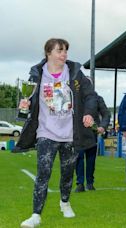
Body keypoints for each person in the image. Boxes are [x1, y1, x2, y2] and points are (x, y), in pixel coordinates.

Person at [16, 38, 97, 227]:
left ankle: (65, 202)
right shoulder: (36, 75)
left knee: (67, 173)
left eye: (65, 50)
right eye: (59, 50)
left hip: (70, 133)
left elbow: (91, 96)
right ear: (48, 53)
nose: (64, 54)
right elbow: (27, 104)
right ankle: (36, 215)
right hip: (46, 132)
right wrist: (24, 106)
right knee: (43, 172)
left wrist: (88, 113)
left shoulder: (76, 73)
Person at [75, 93, 110, 192]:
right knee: (79, 157)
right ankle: (80, 183)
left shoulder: (98, 98)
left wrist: (102, 126)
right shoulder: (75, 97)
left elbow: (106, 113)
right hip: (77, 133)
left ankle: (90, 183)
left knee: (91, 159)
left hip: (92, 133)